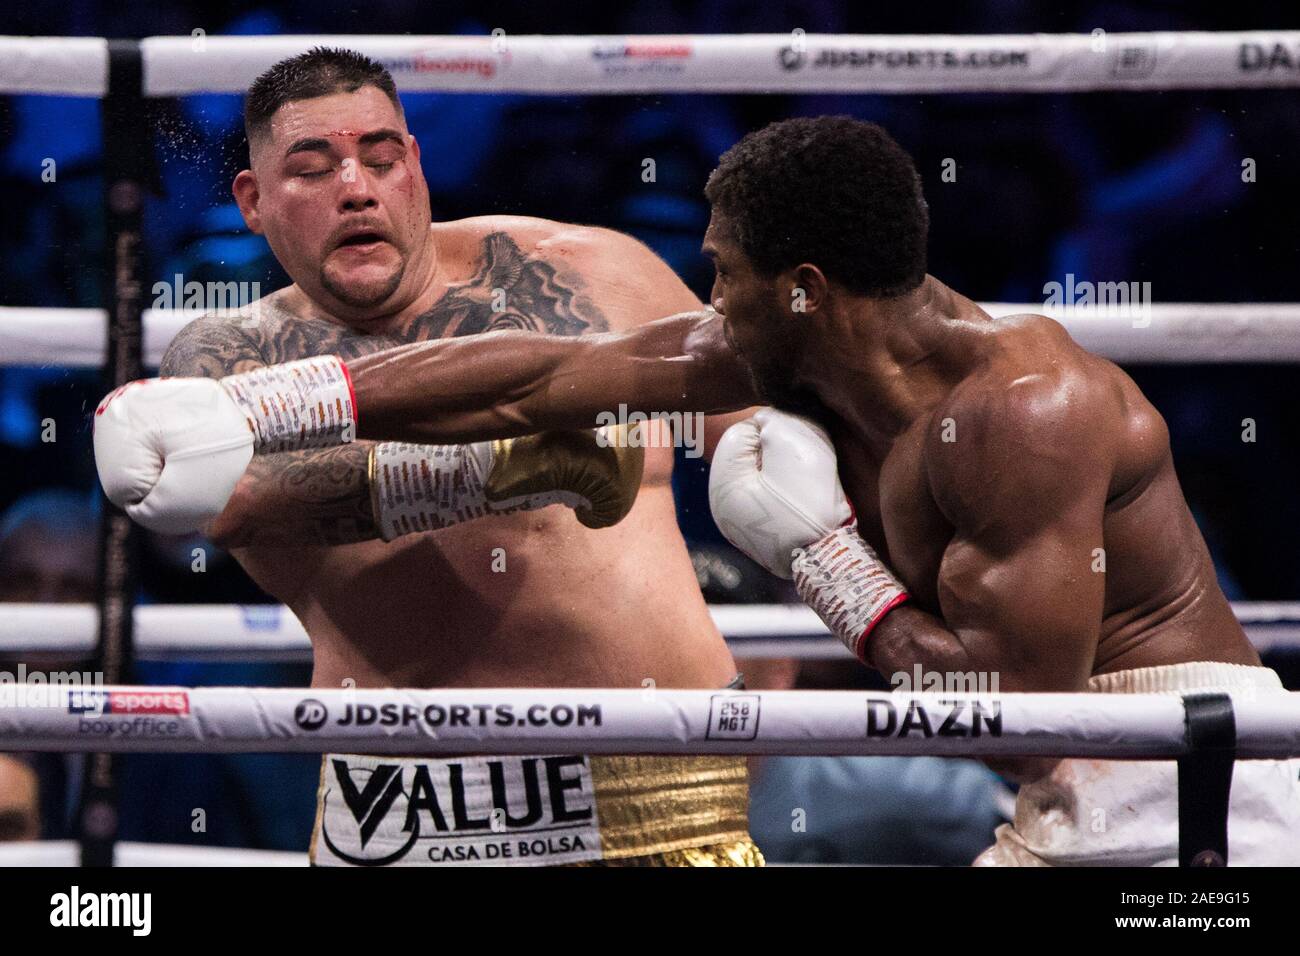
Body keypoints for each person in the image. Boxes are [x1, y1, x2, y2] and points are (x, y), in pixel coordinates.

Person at [96, 114, 1300, 865]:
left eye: (720, 276)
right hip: (1063, 793)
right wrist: (258, 408)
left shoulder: (1023, 411)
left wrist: (823, 559)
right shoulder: (778, 345)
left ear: (803, 287)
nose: (699, 303)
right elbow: (542, 375)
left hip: (1172, 785)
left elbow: (1017, 709)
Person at [93, 48, 761, 867]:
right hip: (406, 808)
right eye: (312, 170)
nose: (356, 188)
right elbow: (238, 503)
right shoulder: (231, 356)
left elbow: (759, 440)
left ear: (415, 167)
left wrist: (861, 589)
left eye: (380, 159)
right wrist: (516, 466)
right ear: (253, 203)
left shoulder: (590, 273)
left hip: (655, 782)